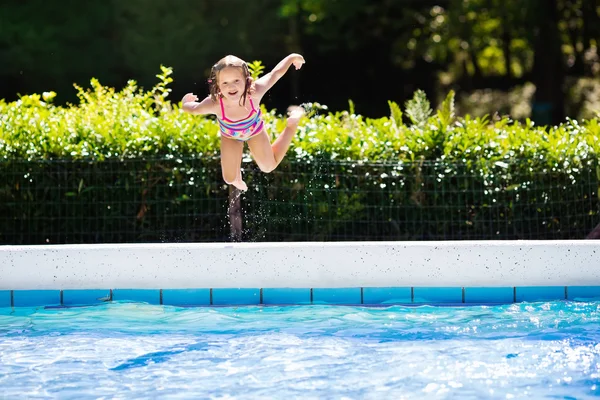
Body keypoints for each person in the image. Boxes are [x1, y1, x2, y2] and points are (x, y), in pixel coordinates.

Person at [181, 53, 306, 191]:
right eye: (225, 83)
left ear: (246, 80)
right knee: (229, 178)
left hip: (255, 132)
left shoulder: (254, 93)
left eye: (236, 81)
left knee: (268, 167)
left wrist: (292, 57)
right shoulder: (215, 103)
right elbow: (195, 109)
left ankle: (291, 126)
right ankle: (237, 178)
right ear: (218, 85)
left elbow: (274, 74)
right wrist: (185, 103)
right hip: (230, 137)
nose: (231, 87)